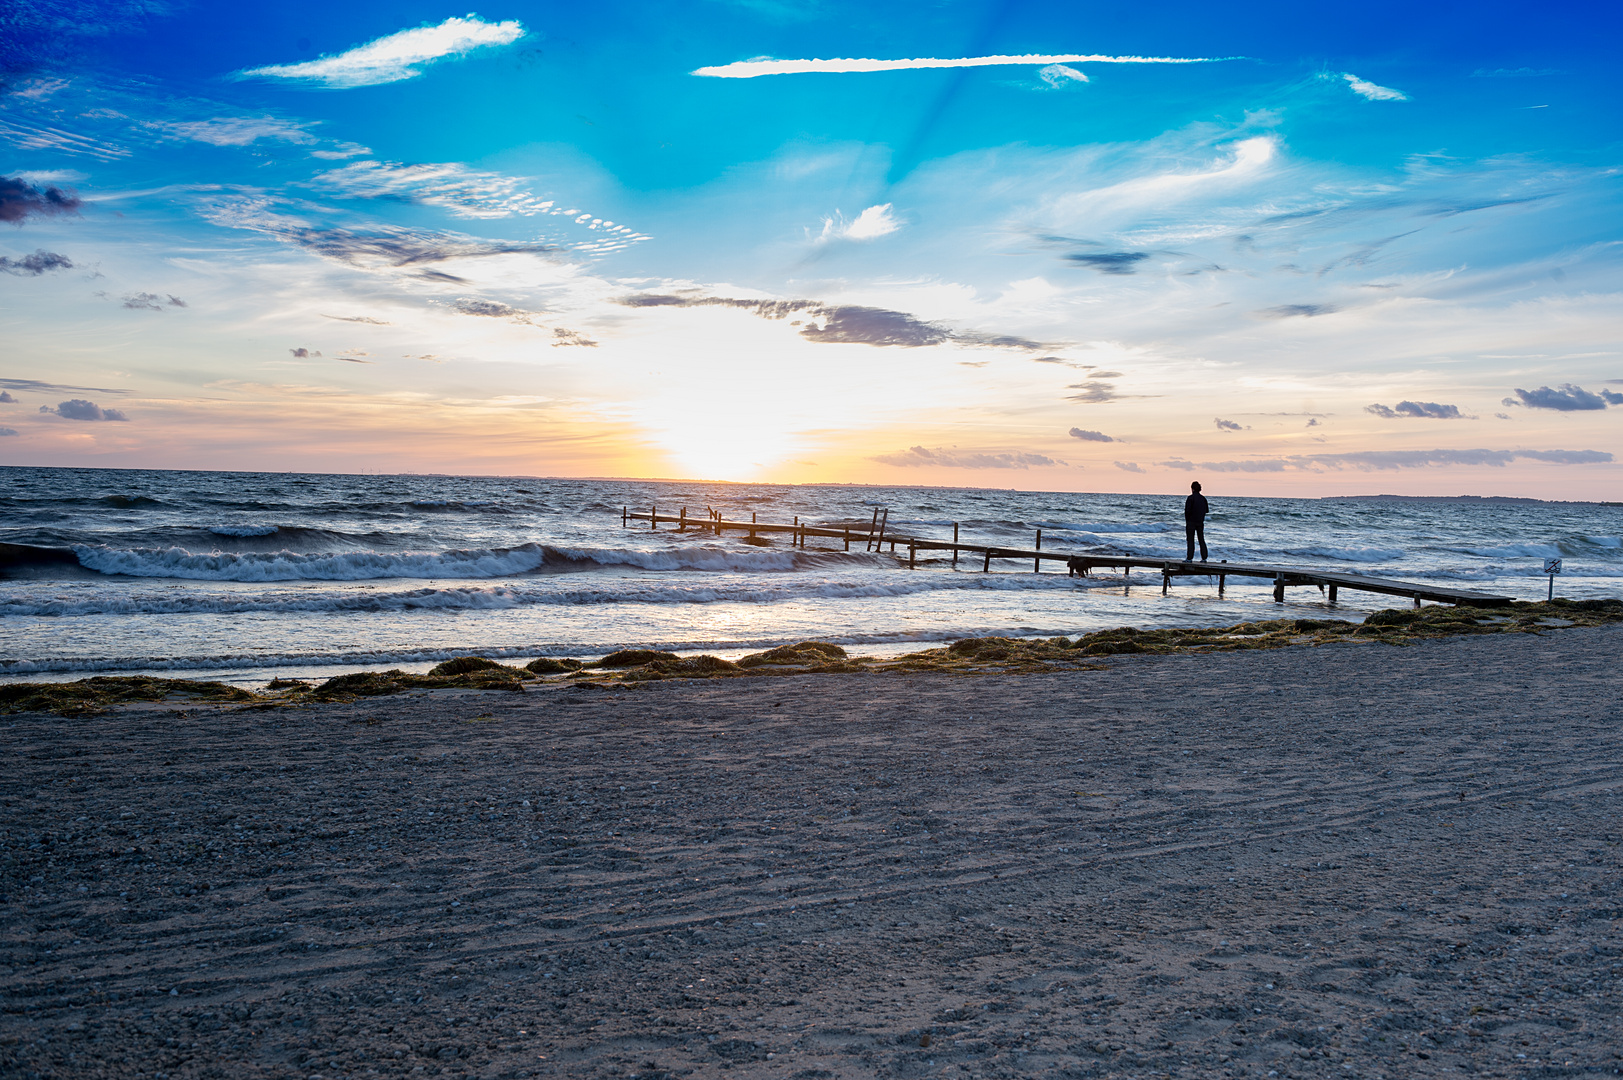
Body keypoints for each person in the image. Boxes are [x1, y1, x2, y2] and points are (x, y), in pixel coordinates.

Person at [1184, 481, 1209, 562]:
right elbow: (1206, 511)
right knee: (1201, 539)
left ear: (1192, 489)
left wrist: (1187, 520)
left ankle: (1189, 558)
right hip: (1200, 522)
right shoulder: (1203, 499)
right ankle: (1204, 558)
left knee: (1190, 540)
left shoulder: (1190, 498)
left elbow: (1187, 511)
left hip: (1191, 522)